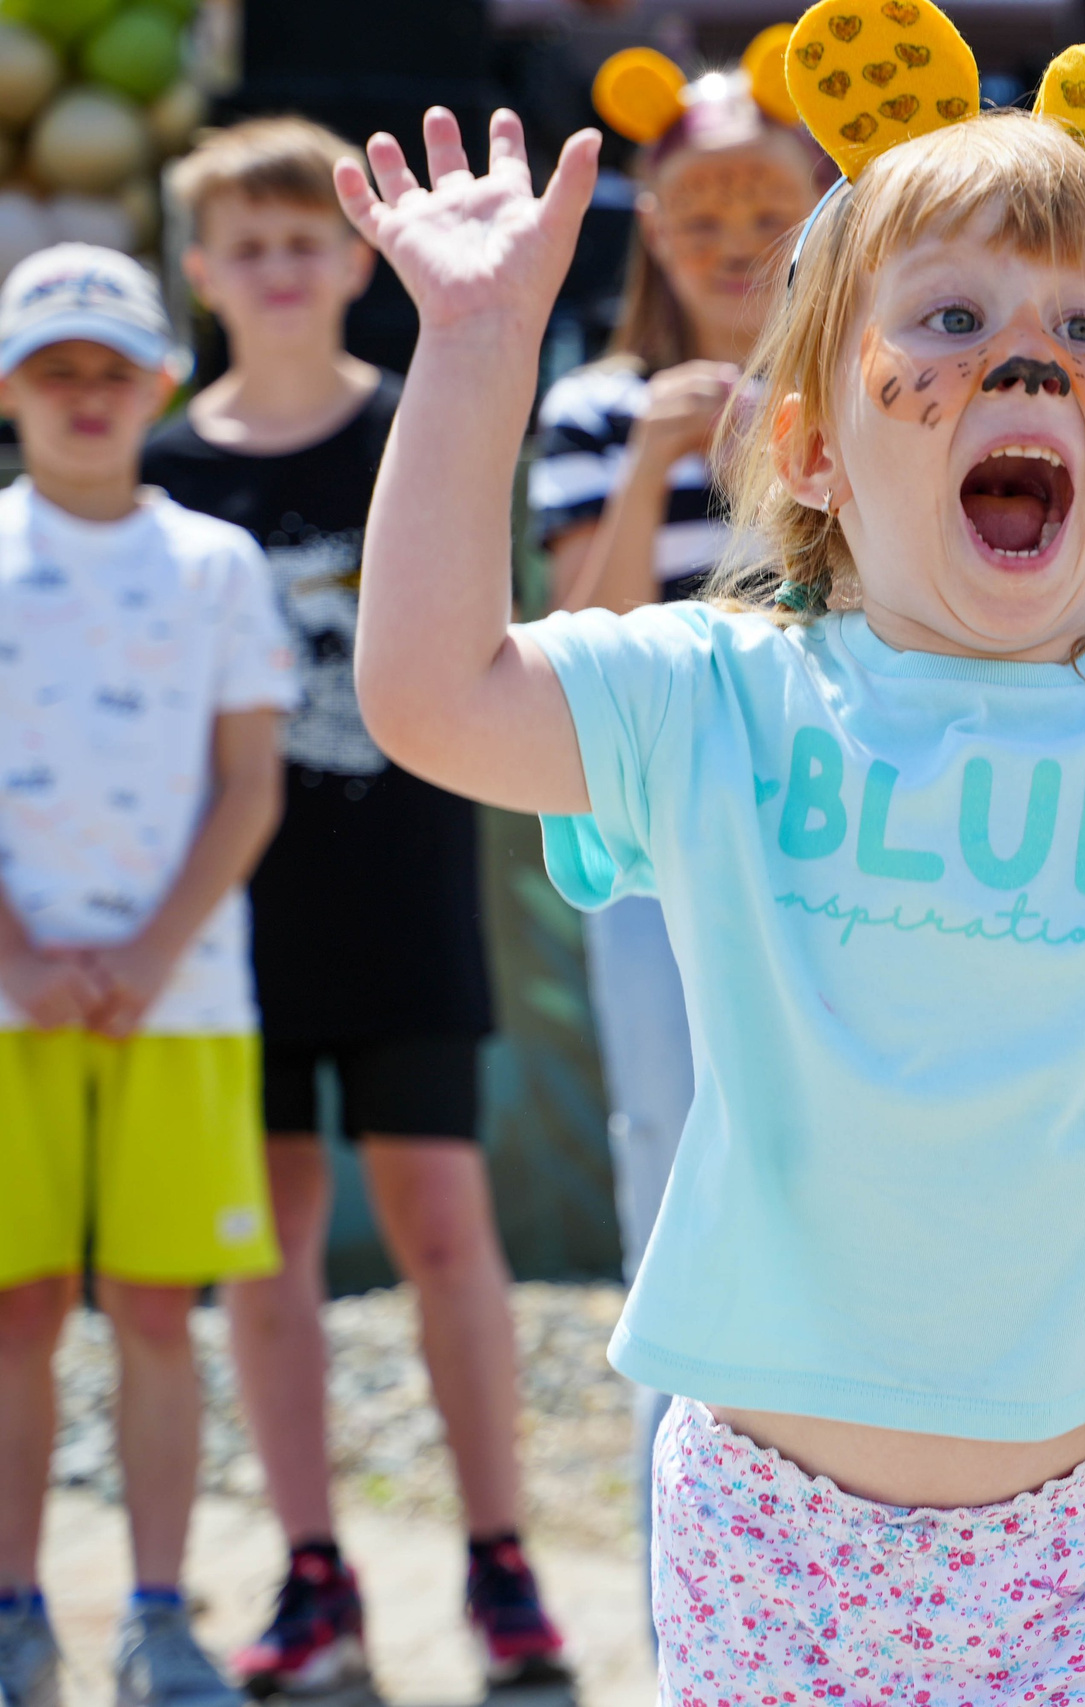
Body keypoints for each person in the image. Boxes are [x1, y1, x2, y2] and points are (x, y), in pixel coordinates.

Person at [331, 4, 1085, 1690]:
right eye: (949, 315)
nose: (1029, 359)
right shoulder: (720, 695)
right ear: (811, 449)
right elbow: (429, 692)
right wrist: (476, 347)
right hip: (772, 1522)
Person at [138, 117, 571, 1694]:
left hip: (403, 889)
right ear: (200, 272)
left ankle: (501, 1557)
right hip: (226, 917)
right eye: (244, 246)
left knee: (446, 1226)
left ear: (352, 257)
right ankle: (313, 1567)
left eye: (300, 240)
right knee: (269, 1248)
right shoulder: (160, 463)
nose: (276, 268)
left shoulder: (417, 419)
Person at [526, 46, 827, 1588]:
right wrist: (653, 450)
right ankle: (687, 1566)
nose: (728, 234)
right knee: (670, 1156)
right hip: (658, 843)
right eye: (699, 202)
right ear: (651, 223)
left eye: (760, 201)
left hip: (837, 835)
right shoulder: (590, 406)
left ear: (813, 209)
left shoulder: (858, 390)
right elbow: (577, 632)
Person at [0, 244, 296, 1707]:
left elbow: (249, 784)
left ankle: (162, 1612)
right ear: (10, 390)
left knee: (157, 1308)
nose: (84, 394)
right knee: (17, 1307)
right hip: (10, 1012)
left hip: (180, 1003)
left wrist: (140, 951)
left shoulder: (214, 563)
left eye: (111, 368)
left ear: (158, 383)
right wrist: (24, 958)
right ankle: (14, 1607)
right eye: (55, 368)